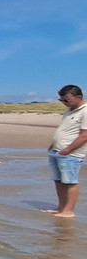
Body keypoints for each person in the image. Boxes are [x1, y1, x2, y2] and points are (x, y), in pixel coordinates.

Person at [44, 84, 87, 218]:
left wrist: (68, 149)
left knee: (70, 181)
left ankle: (68, 210)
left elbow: (84, 135)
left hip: (71, 153)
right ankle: (60, 207)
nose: (63, 103)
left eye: (66, 100)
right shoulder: (69, 110)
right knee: (58, 180)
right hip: (57, 150)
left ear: (78, 97)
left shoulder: (85, 111)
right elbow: (64, 129)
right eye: (61, 100)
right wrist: (53, 145)